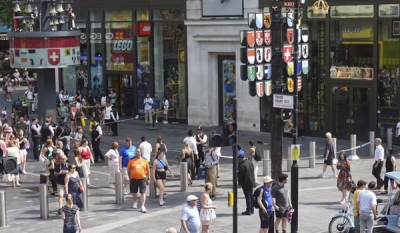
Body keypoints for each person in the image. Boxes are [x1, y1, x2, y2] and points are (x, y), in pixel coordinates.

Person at [127, 148, 150, 213]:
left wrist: (148, 178)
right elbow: (128, 169)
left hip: (142, 178)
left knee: (142, 192)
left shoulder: (145, 160)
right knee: (134, 191)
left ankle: (143, 206)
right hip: (133, 178)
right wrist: (129, 177)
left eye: (138, 152)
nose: (137, 153)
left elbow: (148, 170)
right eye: (136, 152)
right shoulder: (131, 160)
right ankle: (135, 202)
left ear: (141, 153)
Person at [237, 150, 255, 215]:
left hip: (245, 182)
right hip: (251, 181)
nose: (238, 160)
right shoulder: (249, 162)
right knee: (251, 195)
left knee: (247, 196)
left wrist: (239, 182)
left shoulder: (242, 165)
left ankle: (248, 210)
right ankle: (252, 209)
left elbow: (240, 175)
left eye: (238, 159)